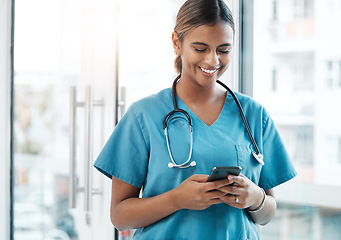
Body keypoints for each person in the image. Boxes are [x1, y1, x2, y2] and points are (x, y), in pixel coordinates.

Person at [94, 0, 297, 239]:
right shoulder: (143, 116)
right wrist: (176, 199)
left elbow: (266, 213)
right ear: (176, 43)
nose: (213, 61)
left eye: (223, 50)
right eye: (200, 49)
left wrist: (256, 197)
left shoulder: (254, 115)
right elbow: (119, 216)